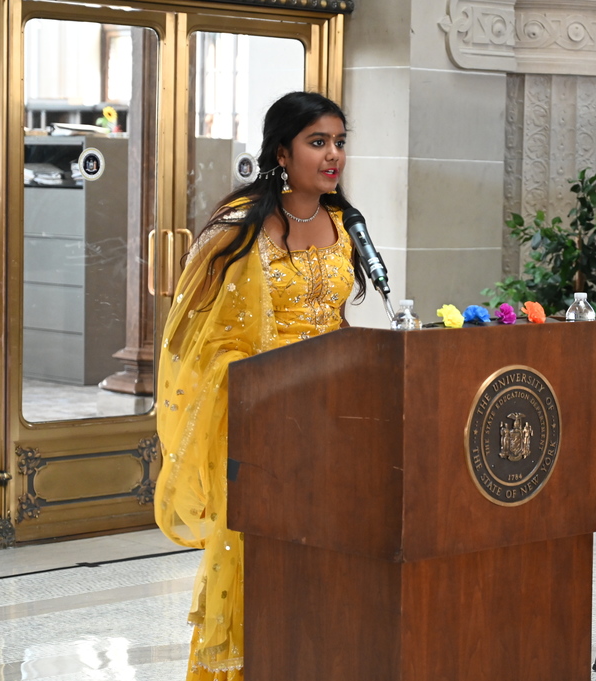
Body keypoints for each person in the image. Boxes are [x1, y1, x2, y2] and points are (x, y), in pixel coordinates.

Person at [154, 91, 366, 680]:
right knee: (255, 558)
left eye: (339, 142)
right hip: (260, 423)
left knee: (326, 564)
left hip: (333, 422)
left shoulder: (343, 223)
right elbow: (187, 339)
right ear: (281, 150)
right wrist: (262, 380)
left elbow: (339, 320)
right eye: (317, 142)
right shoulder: (237, 231)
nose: (333, 156)